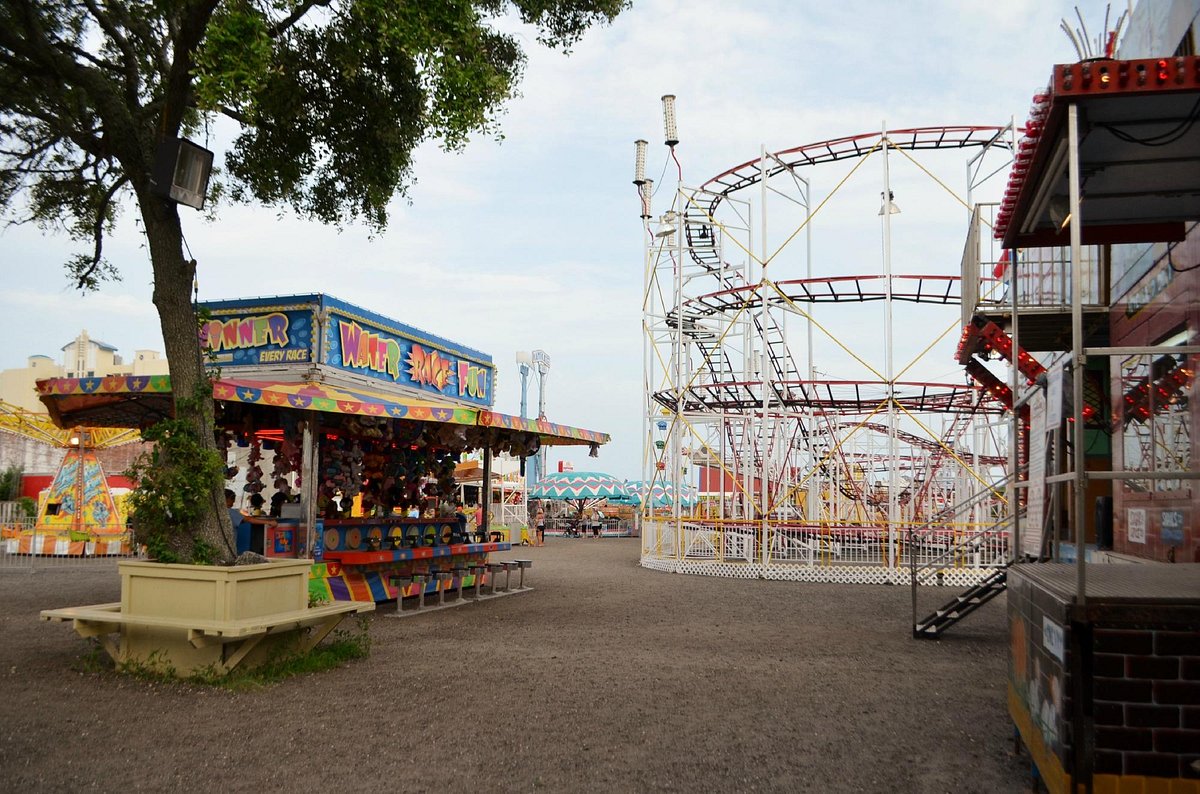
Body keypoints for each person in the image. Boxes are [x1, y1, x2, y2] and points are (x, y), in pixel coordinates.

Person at [226, 489, 251, 555]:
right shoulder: (231, 512)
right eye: (233, 500)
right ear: (228, 499)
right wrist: (268, 522)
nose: (233, 502)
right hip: (229, 546)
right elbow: (248, 519)